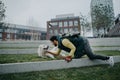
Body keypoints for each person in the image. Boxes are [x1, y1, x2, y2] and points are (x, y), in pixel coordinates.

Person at [47, 35, 114, 66]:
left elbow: (73, 48)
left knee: (91, 56)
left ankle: (109, 58)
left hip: (83, 41)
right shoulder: (60, 45)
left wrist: (69, 56)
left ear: (55, 41)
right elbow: (57, 53)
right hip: (79, 45)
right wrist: (48, 52)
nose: (52, 44)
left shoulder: (63, 41)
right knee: (76, 56)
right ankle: (85, 51)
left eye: (52, 42)